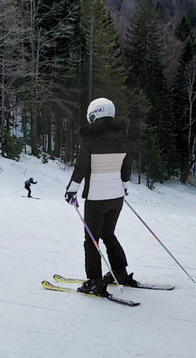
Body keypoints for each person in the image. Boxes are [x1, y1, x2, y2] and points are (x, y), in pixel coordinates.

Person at [64, 97, 137, 296]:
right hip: (117, 198)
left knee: (91, 240)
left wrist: (71, 190)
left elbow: (81, 167)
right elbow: (127, 165)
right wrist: (124, 186)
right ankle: (120, 274)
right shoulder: (123, 137)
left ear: (93, 114)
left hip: (96, 199)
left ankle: (94, 281)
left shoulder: (90, 140)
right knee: (108, 234)